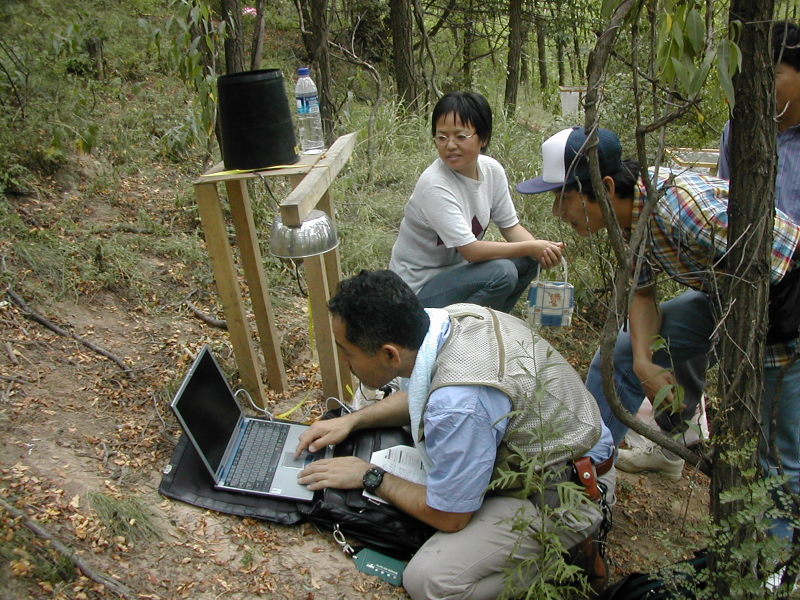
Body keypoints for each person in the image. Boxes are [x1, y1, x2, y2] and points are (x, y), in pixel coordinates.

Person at [516, 126, 800, 539]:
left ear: (605, 187)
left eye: (564, 197)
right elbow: (643, 290)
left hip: (784, 303)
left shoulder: (678, 209)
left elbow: (773, 257)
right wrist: (645, 361)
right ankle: (582, 475)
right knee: (620, 357)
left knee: (777, 452)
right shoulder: (630, 219)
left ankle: (777, 558)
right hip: (726, 297)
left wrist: (753, 343)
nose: (559, 211)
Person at [296, 269, 616, 600]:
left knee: (429, 581)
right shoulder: (450, 320)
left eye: (347, 351)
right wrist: (353, 421)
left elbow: (450, 516)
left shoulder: (458, 405)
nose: (344, 360)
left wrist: (369, 476)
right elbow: (422, 394)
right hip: (562, 456)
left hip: (567, 494)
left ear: (390, 354)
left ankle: (563, 564)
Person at [389, 91, 564, 314]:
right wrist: (532, 246)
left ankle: (494, 321)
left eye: (460, 137)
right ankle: (466, 329)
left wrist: (542, 251)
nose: (450, 145)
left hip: (458, 276)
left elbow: (510, 228)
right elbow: (471, 251)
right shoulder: (435, 184)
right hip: (416, 293)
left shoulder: (492, 171)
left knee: (529, 259)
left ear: (483, 138)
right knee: (502, 272)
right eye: (442, 137)